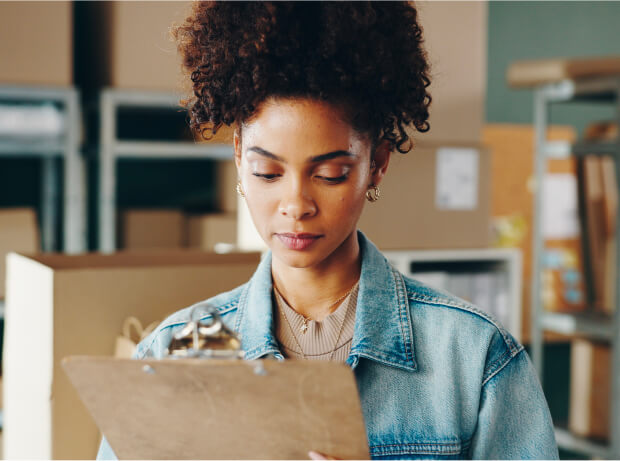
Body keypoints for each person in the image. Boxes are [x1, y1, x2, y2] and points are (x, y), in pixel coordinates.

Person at [98, 2, 559, 459]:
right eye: (266, 172)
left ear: (376, 164)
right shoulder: (175, 353)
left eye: (331, 173)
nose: (295, 206)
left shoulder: (473, 356)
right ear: (238, 156)